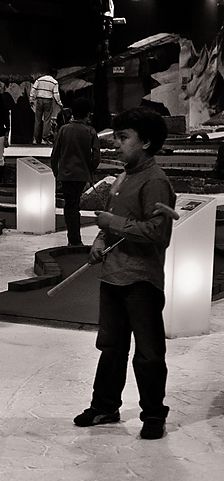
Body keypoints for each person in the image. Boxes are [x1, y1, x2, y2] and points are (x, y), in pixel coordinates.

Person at [74, 107, 176, 441]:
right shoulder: (124, 176)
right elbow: (111, 224)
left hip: (141, 280)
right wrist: (99, 241)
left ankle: (153, 414)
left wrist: (112, 224)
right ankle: (104, 406)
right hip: (113, 276)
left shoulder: (156, 181)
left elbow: (159, 233)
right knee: (111, 347)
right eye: (116, 137)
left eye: (123, 137)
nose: (116, 144)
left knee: (148, 352)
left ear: (145, 142)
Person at [50, 97, 101, 246]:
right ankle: (75, 239)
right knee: (74, 205)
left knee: (70, 206)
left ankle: (73, 239)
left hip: (66, 174)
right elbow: (96, 156)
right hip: (82, 174)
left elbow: (55, 154)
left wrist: (56, 172)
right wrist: (90, 169)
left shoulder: (63, 129)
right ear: (88, 114)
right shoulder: (90, 131)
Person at [30, 69, 63, 144]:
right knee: (47, 120)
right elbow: (56, 94)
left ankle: (35, 139)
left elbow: (33, 90)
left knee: (37, 120)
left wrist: (31, 99)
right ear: (54, 74)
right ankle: (44, 139)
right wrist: (60, 103)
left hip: (39, 100)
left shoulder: (39, 80)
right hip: (48, 101)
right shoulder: (54, 82)